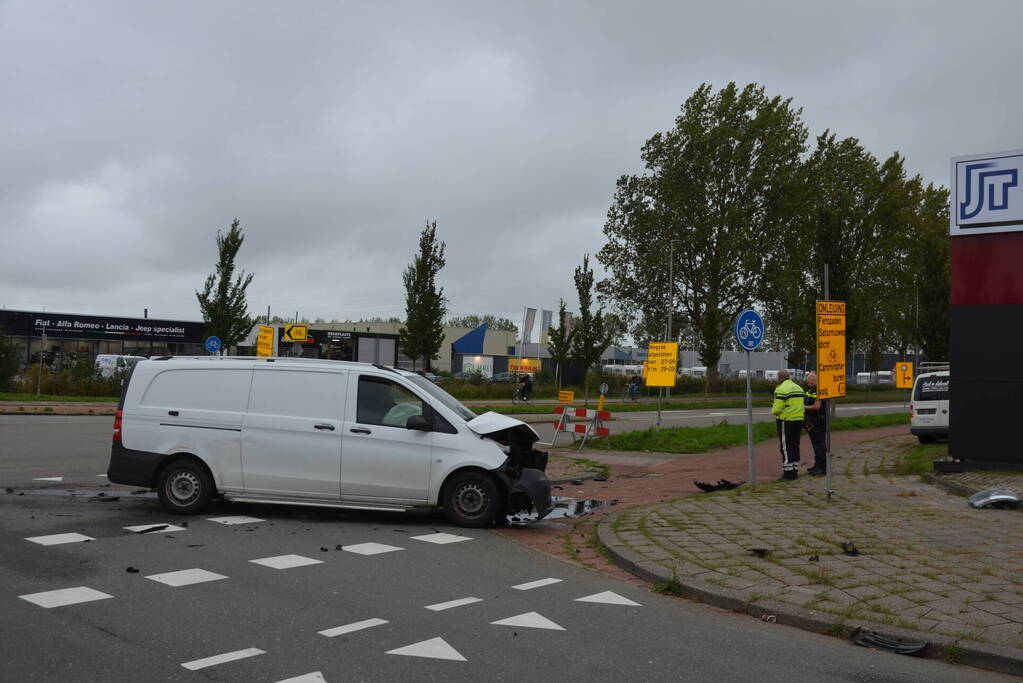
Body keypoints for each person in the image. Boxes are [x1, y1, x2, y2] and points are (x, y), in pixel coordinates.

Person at [771, 369, 805, 480]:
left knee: (786, 447)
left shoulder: (781, 389)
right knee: (795, 444)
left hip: (786, 420)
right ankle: (795, 469)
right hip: (799, 420)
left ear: (779, 378)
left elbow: (777, 410)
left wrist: (773, 410)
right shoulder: (799, 388)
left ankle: (788, 473)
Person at [804, 372, 828, 476]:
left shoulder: (820, 391)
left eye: (809, 382)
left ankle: (822, 467)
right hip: (811, 421)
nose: (808, 384)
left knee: (820, 444)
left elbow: (817, 406)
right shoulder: (810, 390)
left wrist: (803, 407)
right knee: (815, 444)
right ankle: (817, 465)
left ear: (814, 381)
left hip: (818, 420)